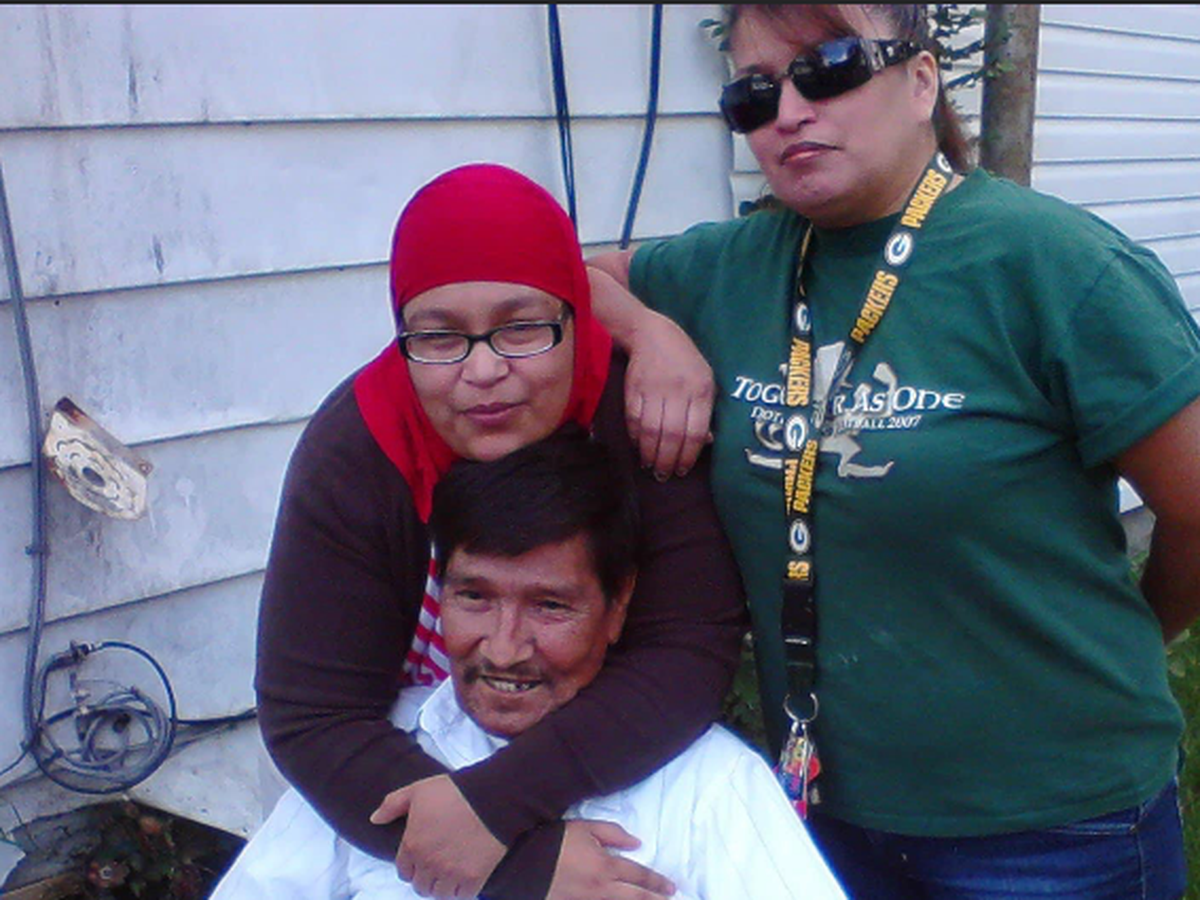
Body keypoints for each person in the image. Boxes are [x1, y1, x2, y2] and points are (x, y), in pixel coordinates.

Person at [587, 4, 1200, 898]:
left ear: (921, 82)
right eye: (753, 93)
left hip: (1051, 826)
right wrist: (650, 332)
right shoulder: (726, 269)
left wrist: (1138, 637)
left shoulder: (1054, 264)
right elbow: (556, 275)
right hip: (820, 812)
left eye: (828, 67)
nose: (788, 111)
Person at [255, 163, 747, 900]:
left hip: (626, 764)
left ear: (576, 317)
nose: (482, 371)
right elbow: (313, 713)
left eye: (521, 329)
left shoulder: (640, 415)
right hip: (406, 770)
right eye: (439, 337)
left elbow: (687, 650)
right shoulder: (356, 452)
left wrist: (500, 805)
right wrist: (517, 864)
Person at [214, 433, 846, 900]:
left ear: (618, 606)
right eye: (474, 597)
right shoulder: (372, 756)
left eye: (550, 606)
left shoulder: (707, 787)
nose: (504, 648)